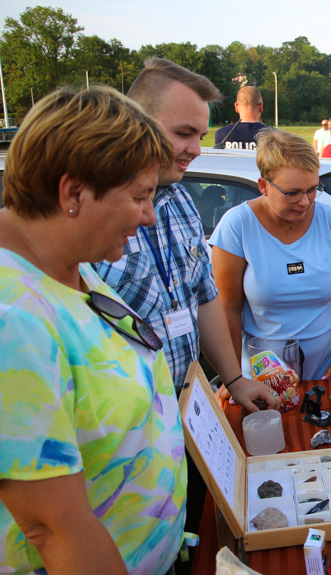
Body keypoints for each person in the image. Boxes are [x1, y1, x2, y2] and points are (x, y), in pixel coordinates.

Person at [0, 86, 185, 575]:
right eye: (141, 197)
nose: (148, 216)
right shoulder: (11, 318)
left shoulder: (70, 262)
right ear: (73, 193)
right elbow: (52, 528)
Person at [96, 57, 277, 409]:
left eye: (200, 136)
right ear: (137, 123)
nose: (196, 149)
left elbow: (203, 297)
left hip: (190, 408)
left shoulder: (181, 197)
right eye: (183, 133)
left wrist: (234, 379)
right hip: (126, 426)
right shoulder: (91, 211)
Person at [210, 130, 331, 387]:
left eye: (313, 189)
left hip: (326, 367)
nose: (305, 202)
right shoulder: (237, 225)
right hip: (263, 370)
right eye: (292, 193)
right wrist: (233, 377)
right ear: (263, 186)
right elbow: (227, 309)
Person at [214, 86, 267, 150]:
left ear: (236, 106)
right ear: (261, 107)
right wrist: (267, 129)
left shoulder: (221, 135)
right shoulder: (274, 136)